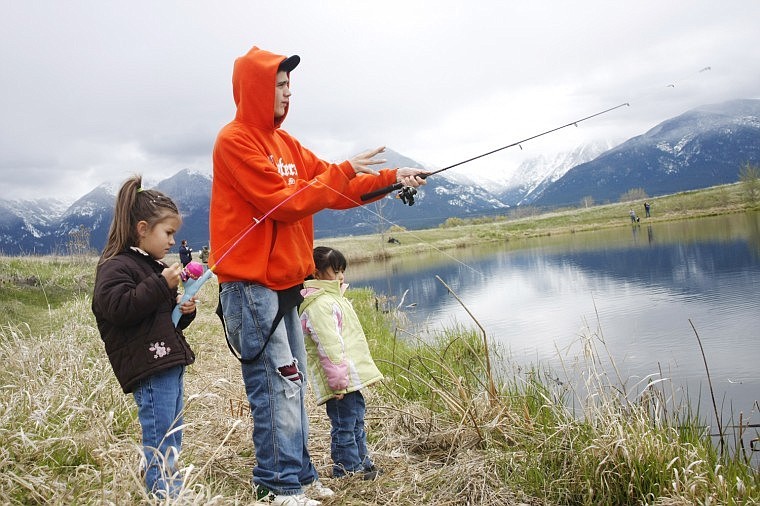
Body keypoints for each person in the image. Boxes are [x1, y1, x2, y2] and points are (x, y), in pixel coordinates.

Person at [209, 46, 427, 506]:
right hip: (251, 289)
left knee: (294, 385)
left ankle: (301, 477)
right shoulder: (235, 141)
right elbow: (283, 202)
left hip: (287, 285)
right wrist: (343, 170)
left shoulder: (288, 146)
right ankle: (278, 484)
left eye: (290, 86)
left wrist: (392, 178)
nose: (287, 94)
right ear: (253, 90)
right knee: (276, 388)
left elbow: (334, 187)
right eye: (278, 86)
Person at [91, 175, 197, 498]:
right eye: (167, 233)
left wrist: (184, 309)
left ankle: (171, 489)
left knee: (172, 436)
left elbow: (160, 321)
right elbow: (118, 307)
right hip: (150, 369)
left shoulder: (151, 266)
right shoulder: (116, 266)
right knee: (160, 438)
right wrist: (161, 285)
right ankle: (163, 493)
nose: (171, 241)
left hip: (166, 361)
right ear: (142, 229)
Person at [299, 246, 384, 481]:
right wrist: (337, 382)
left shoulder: (334, 298)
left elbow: (350, 341)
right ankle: (346, 470)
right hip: (338, 381)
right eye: (336, 271)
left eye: (342, 271)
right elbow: (328, 346)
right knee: (344, 424)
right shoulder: (319, 304)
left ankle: (361, 461)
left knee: (356, 419)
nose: (341, 276)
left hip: (348, 376)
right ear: (316, 273)